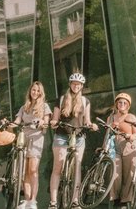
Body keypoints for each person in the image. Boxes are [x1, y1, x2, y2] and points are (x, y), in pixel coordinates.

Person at [49, 72, 96, 209]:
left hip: (79, 137)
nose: (76, 86)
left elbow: (87, 120)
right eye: (74, 84)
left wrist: (91, 125)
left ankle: (75, 200)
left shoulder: (85, 101)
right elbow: (55, 118)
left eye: (79, 84)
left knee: (77, 168)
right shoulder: (62, 99)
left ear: (82, 86)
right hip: (62, 135)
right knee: (58, 167)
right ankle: (53, 202)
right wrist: (53, 122)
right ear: (70, 84)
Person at [12, 81, 52, 209]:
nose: (35, 92)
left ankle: (33, 200)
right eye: (33, 90)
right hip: (23, 138)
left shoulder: (44, 106)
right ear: (30, 91)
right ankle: (27, 200)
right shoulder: (24, 107)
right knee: (24, 171)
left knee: (33, 170)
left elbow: (46, 125)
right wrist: (12, 124)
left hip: (36, 138)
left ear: (41, 93)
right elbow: (18, 121)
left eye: (38, 91)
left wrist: (42, 122)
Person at [107, 93, 136, 206]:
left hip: (129, 146)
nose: (122, 104)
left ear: (128, 105)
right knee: (115, 174)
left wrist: (131, 136)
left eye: (125, 103)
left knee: (128, 175)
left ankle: (124, 202)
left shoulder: (131, 117)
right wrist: (103, 147)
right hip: (114, 146)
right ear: (116, 103)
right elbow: (107, 134)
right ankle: (116, 199)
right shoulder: (111, 117)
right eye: (120, 102)